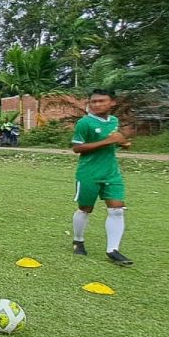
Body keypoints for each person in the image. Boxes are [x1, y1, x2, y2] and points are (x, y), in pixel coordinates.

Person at [70, 89, 134, 266]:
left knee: (117, 209)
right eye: (94, 102)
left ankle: (112, 250)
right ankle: (78, 240)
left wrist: (124, 143)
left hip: (111, 172)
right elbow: (77, 148)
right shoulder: (85, 123)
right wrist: (108, 141)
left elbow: (117, 141)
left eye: (101, 101)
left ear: (112, 102)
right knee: (85, 208)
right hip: (89, 173)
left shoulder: (114, 121)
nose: (97, 104)